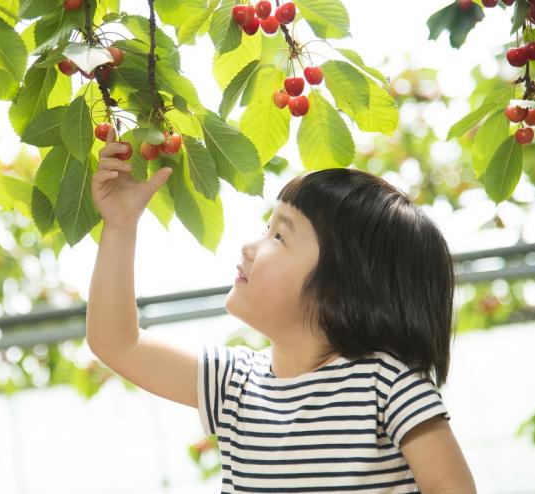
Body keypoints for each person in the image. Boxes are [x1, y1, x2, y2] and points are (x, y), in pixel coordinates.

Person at [86, 126, 477, 493]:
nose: (250, 246)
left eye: (278, 234)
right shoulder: (235, 384)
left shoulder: (387, 384)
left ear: (340, 285)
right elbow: (117, 342)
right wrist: (120, 226)